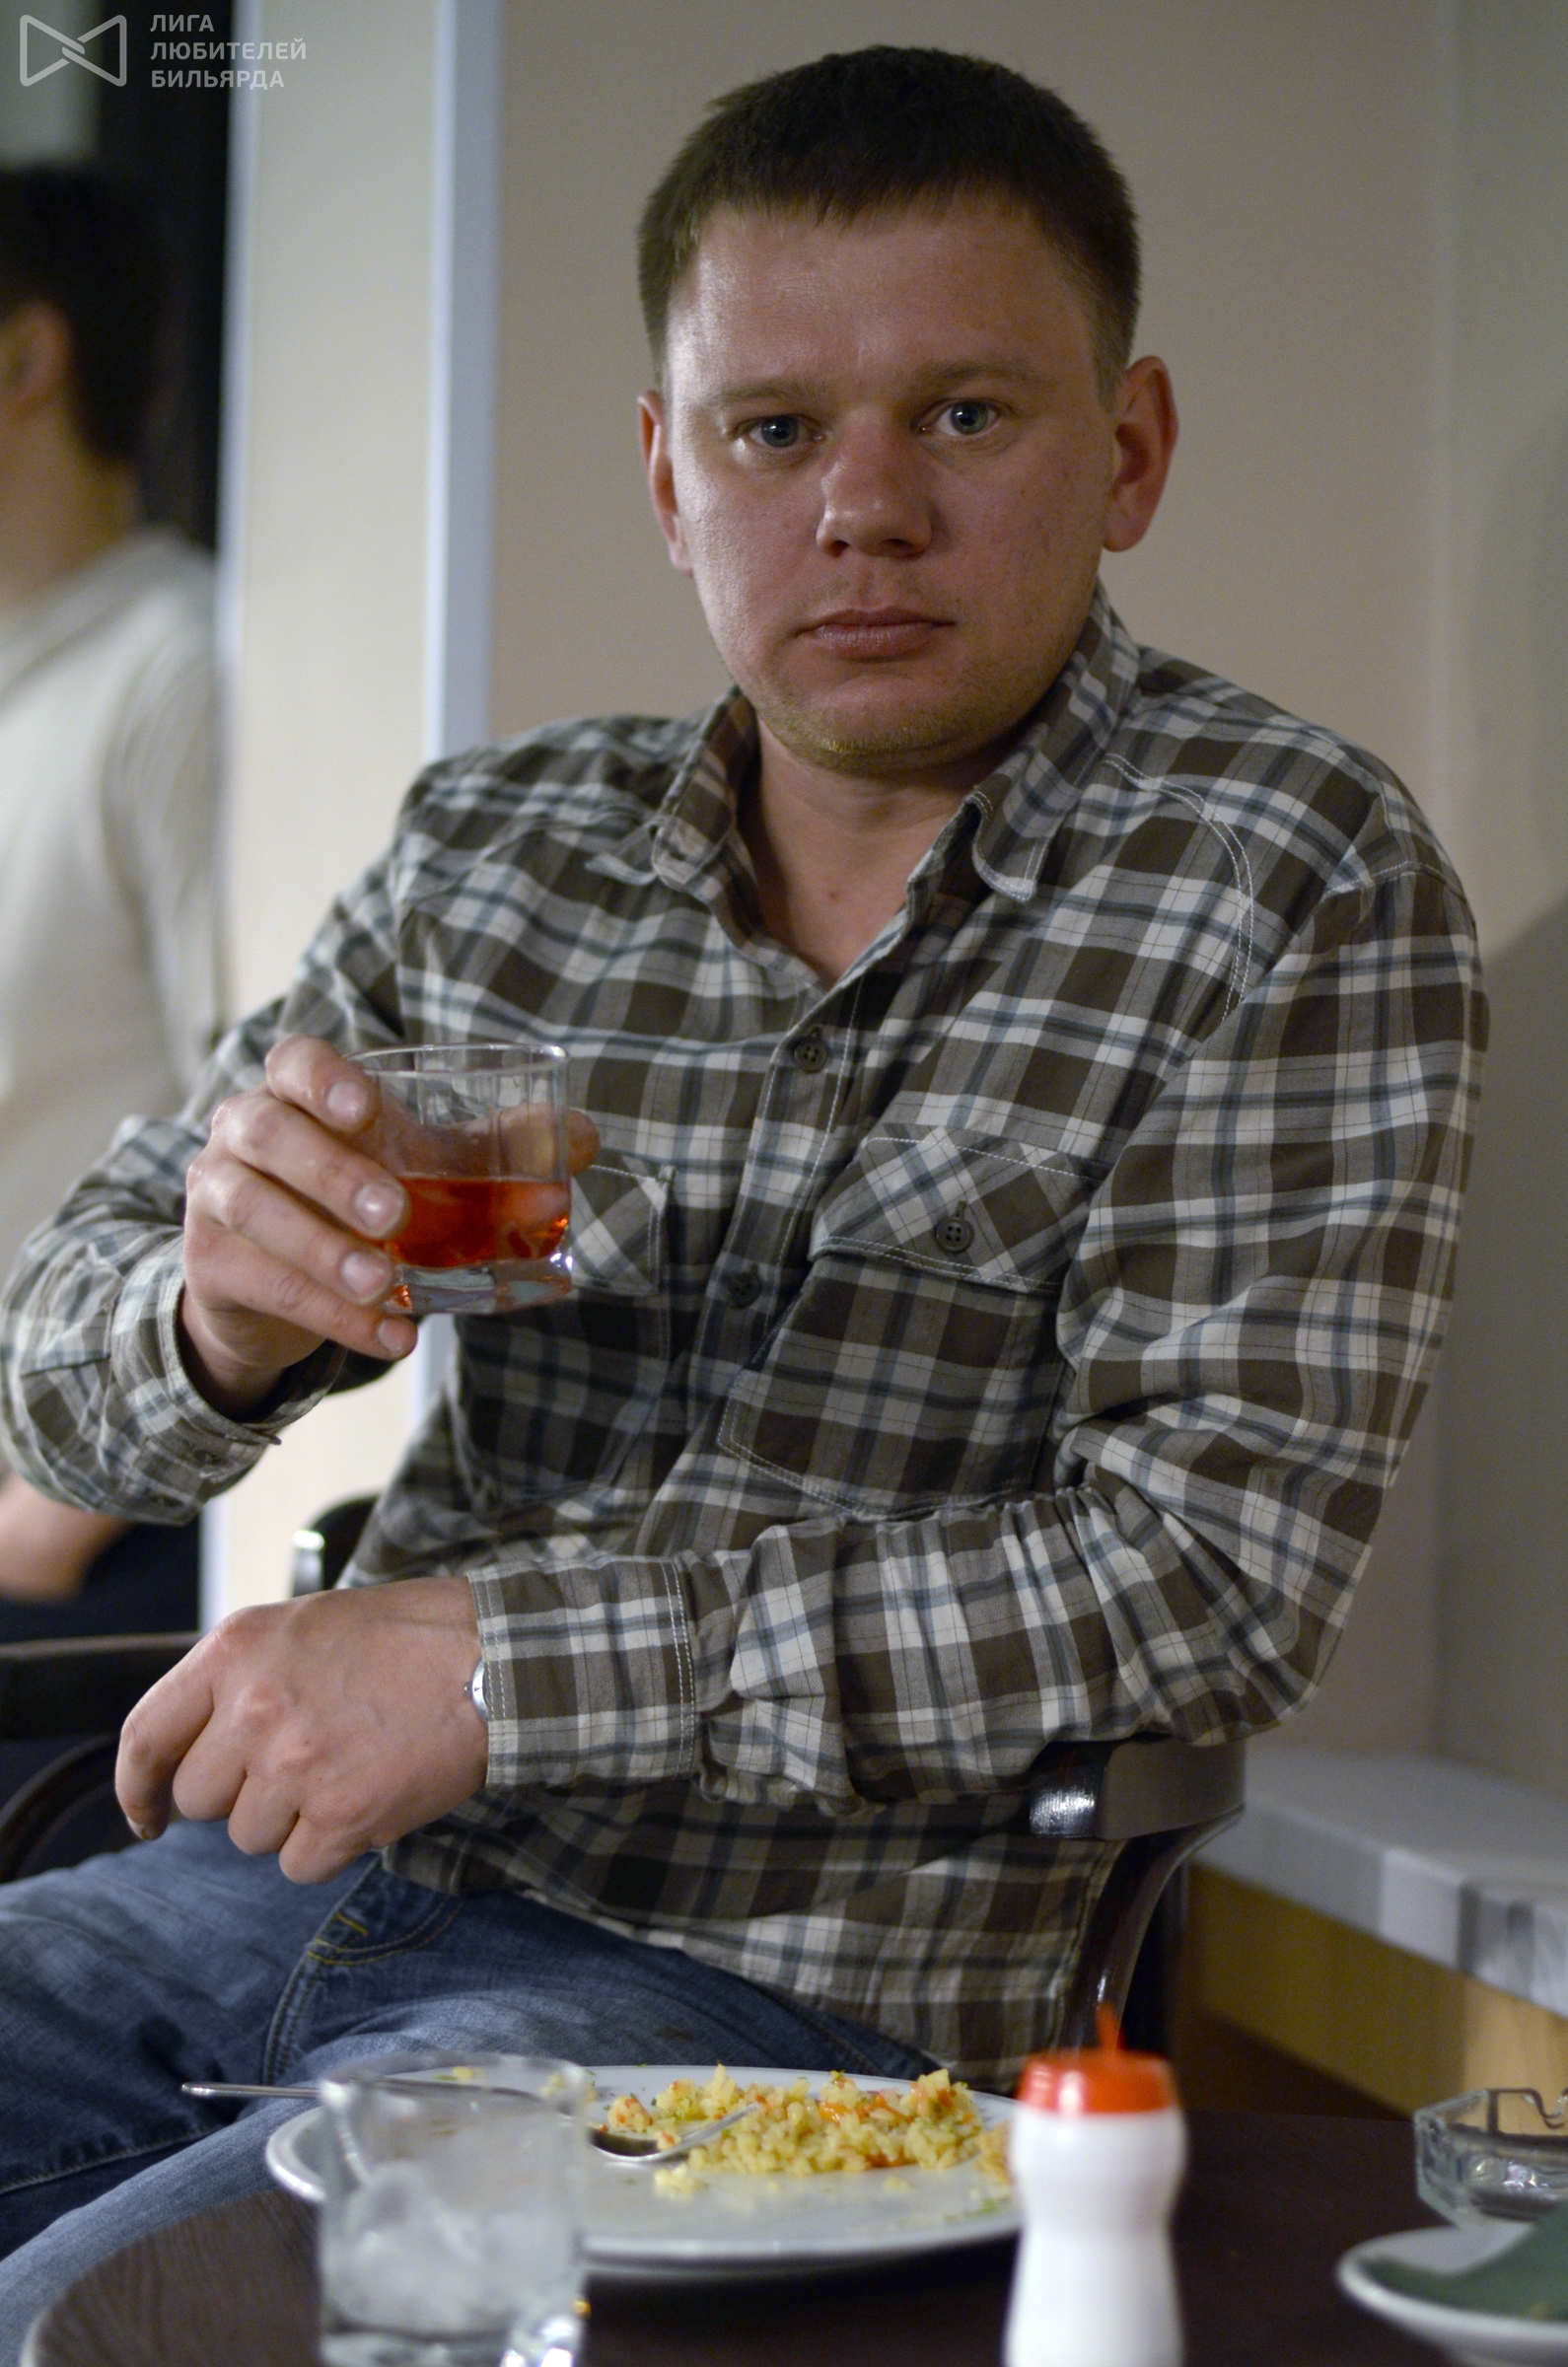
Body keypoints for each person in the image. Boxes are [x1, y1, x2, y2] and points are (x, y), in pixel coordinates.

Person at [0, 45, 1481, 2349]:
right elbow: (59, 1391)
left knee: (119, 2324)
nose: (864, 510)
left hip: (784, 1998)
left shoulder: (1286, 873)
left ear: (1130, 451)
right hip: (272, 1882)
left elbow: (1200, 1583)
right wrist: (215, 1323)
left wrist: (498, 1668)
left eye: (964, 415)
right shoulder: (499, 851)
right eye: (773, 429)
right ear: (669, 477)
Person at [0, 166, 220, 1636]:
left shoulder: (177, 665)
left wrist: (46, 1526)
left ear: (27, 356)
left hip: (78, 1540)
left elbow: (258, 1095)